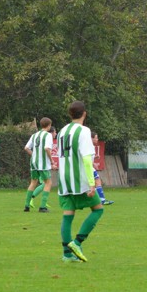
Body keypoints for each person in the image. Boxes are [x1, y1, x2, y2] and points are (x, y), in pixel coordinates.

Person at [57, 101, 104, 263]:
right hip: (79, 180)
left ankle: (67, 254)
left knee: (68, 215)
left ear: (70, 114)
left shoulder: (62, 131)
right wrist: (92, 183)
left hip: (64, 179)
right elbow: (86, 159)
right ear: (84, 113)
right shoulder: (84, 131)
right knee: (98, 209)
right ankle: (77, 243)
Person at [23, 117, 54, 213]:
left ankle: (26, 206)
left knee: (33, 182)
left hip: (34, 162)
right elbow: (47, 148)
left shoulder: (34, 135)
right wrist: (51, 160)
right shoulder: (48, 135)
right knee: (48, 183)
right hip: (43, 163)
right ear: (49, 125)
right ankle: (42, 206)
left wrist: (34, 155)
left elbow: (26, 148)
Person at [28, 126, 57, 209]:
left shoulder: (44, 139)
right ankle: (32, 198)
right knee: (45, 183)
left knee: (45, 183)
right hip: (42, 166)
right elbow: (44, 153)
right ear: (51, 133)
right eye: (55, 132)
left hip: (39, 164)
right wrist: (51, 163)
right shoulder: (47, 139)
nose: (56, 134)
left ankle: (43, 201)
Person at [91, 132, 114, 205]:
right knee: (97, 182)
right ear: (91, 138)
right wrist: (92, 164)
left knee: (95, 182)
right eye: (96, 138)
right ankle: (102, 200)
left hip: (89, 168)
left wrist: (94, 159)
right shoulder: (89, 147)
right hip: (88, 169)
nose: (97, 139)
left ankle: (99, 200)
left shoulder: (89, 146)